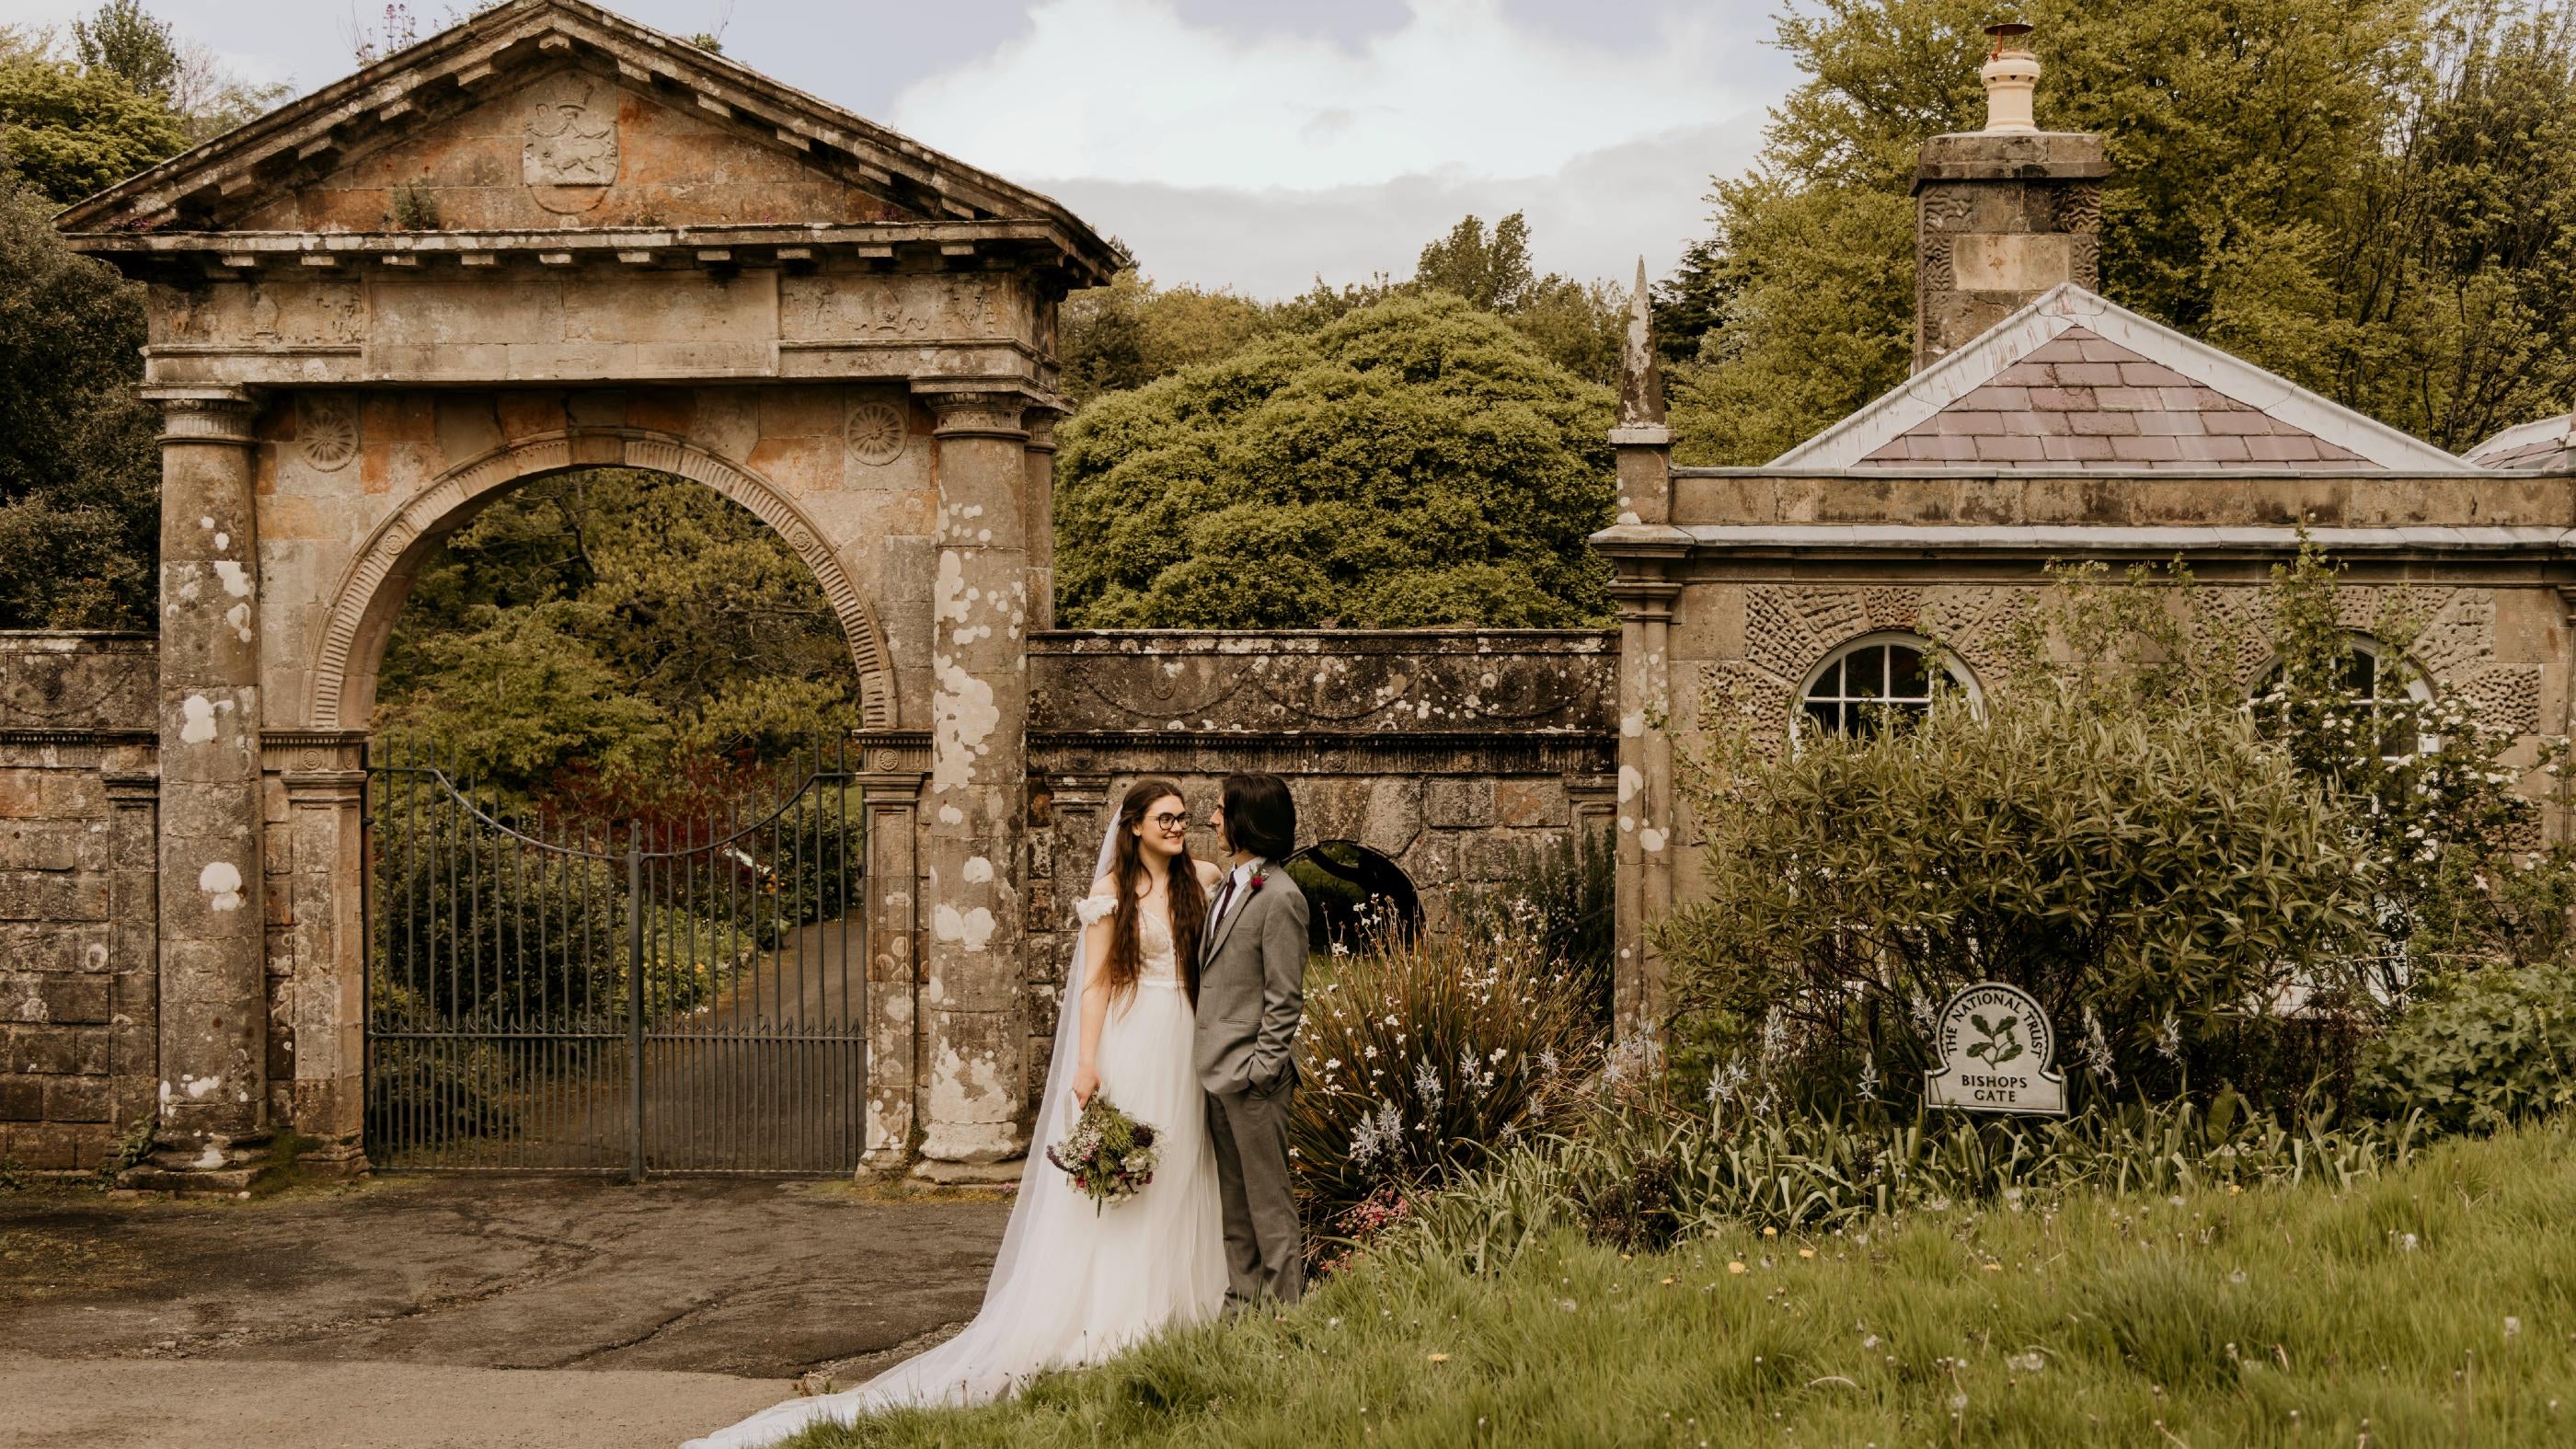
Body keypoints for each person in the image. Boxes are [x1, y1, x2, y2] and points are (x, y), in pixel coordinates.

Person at [683, 778, 1226, 1448]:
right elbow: (1094, 984)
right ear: (1135, 825)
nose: (1178, 826)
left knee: (1180, 1168)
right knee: (1127, 1176)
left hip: (1186, 1037)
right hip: (1135, 1036)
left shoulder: (1203, 878)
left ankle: (1183, 1308)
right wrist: (1086, 1064)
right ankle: (1119, 1316)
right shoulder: (1111, 892)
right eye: (1164, 817)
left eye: (1181, 816)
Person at [1195, 772, 1310, 1307]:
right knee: (1235, 1200)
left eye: (1220, 809)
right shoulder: (1226, 885)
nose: (1213, 819)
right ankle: (1243, 1305)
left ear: (1245, 819)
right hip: (1218, 1071)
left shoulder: (1281, 897)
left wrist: (1260, 1070)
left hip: (1253, 1079)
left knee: (1269, 1200)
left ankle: (1285, 1312)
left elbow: (1284, 997)